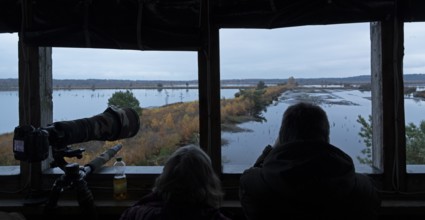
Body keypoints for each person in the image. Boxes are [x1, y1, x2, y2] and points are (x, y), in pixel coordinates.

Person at [239, 102, 381, 220]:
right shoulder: (363, 188)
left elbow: (254, 175)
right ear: (326, 138)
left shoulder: (254, 185)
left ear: (282, 138)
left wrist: (271, 150)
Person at [119, 145, 232, 220]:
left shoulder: (138, 214)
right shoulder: (214, 217)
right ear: (209, 182)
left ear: (165, 178)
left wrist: (157, 193)